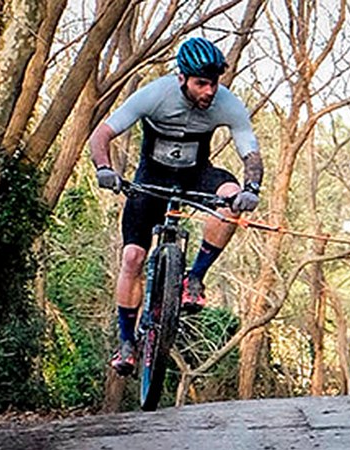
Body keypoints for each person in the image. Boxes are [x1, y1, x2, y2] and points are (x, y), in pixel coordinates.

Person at [89, 37, 263, 376]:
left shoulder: (227, 103)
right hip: (150, 178)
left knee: (231, 196)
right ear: (182, 78)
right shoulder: (156, 94)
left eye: (214, 83)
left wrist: (251, 188)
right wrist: (105, 168)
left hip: (196, 175)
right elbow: (101, 135)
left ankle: (193, 278)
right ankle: (126, 342)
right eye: (201, 83)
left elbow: (250, 152)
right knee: (132, 257)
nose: (209, 91)